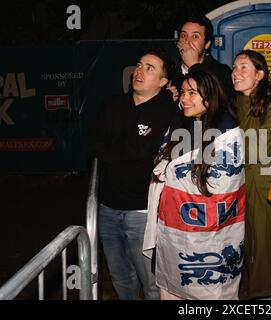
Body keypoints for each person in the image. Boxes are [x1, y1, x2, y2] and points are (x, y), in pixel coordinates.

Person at [143, 70, 245, 300]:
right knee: (171, 288)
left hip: (209, 237)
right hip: (173, 233)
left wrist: (173, 173)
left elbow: (222, 183)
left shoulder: (227, 131)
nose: (184, 98)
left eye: (192, 93)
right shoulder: (182, 123)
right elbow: (162, 158)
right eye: (183, 92)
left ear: (209, 96)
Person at [87, 48, 179, 300]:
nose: (140, 71)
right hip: (107, 210)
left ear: (163, 82)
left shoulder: (169, 111)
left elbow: (145, 152)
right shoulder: (112, 104)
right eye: (139, 65)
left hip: (144, 213)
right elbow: (95, 145)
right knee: (120, 278)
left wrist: (119, 149)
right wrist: (132, 149)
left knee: (151, 283)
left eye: (150, 68)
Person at [232, 49, 271, 299]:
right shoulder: (237, 103)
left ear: (260, 75)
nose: (236, 72)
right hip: (245, 186)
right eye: (234, 68)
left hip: (270, 189)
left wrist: (217, 147)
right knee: (253, 245)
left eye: (244, 67)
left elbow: (258, 145)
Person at [169, 15, 233, 99]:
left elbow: (218, 102)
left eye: (195, 36)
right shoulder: (169, 74)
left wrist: (193, 66)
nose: (187, 41)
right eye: (184, 35)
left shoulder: (221, 72)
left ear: (207, 44)